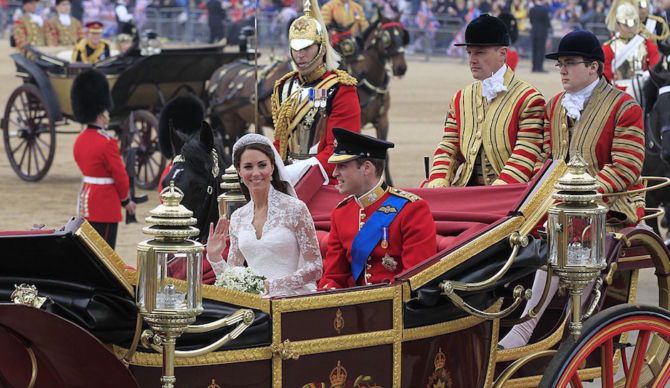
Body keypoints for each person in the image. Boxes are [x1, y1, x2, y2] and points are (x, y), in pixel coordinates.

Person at [499, 30, 645, 349]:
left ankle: (533, 327)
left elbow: (627, 166)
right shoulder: (554, 106)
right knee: (514, 229)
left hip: (610, 205)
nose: (562, 70)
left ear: (593, 67)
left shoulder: (624, 106)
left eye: (569, 63)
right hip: (559, 203)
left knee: (573, 225)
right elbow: (545, 158)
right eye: (560, 64)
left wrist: (579, 193)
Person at [426, 14, 545, 188]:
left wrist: (497, 189)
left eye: (480, 52)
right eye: (469, 53)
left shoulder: (529, 99)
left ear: (503, 53)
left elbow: (526, 152)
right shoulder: (460, 98)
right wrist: (439, 179)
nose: (472, 60)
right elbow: (449, 147)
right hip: (467, 190)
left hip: (509, 194)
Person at [206, 134, 323, 296]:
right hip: (255, 305)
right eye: (248, 167)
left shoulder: (295, 208)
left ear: (272, 167)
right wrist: (215, 257)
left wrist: (270, 286)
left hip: (292, 301)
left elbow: (315, 267)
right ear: (239, 171)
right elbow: (233, 277)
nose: (256, 173)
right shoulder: (238, 217)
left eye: (262, 165)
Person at [318, 128, 437, 289]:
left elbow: (416, 280)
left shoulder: (411, 210)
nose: (335, 173)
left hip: (396, 307)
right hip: (355, 307)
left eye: (342, 166)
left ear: (367, 168)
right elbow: (334, 276)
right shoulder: (341, 213)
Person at [272, 0, 361, 185]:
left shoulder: (341, 88)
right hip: (287, 179)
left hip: (326, 181)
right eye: (295, 48)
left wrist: (288, 174)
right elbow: (281, 142)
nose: (299, 55)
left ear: (321, 48)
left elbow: (339, 150)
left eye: (306, 48)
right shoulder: (284, 86)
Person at [72, 69, 136, 249]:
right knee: (106, 257)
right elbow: (120, 176)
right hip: (105, 205)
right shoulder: (107, 142)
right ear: (101, 113)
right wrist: (126, 201)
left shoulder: (80, 139)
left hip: (86, 200)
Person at [603, 2, 660, 97]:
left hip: (643, 91)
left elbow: (655, 68)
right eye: (626, 25)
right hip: (618, 94)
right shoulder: (608, 48)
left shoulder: (646, 44)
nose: (631, 28)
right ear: (618, 24)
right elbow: (606, 78)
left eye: (634, 24)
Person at [529, 0, 551, 73]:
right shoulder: (544, 10)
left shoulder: (532, 9)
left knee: (534, 50)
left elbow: (531, 21)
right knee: (540, 50)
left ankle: (534, 67)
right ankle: (539, 67)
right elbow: (547, 23)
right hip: (542, 32)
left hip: (534, 31)